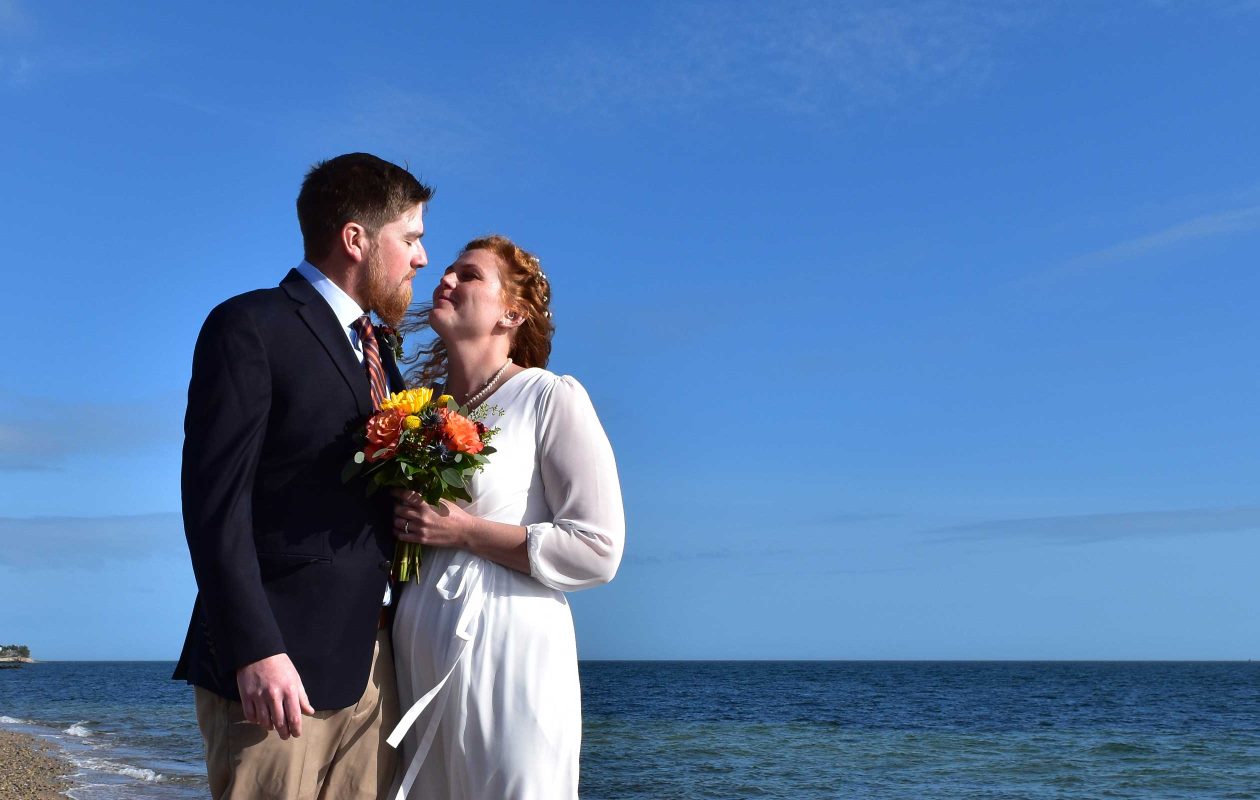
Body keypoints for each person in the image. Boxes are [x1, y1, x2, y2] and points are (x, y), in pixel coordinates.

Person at [174, 153, 432, 799]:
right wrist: (255, 648)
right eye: (411, 238)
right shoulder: (251, 326)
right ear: (356, 238)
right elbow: (215, 504)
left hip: (375, 667)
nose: (421, 259)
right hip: (275, 671)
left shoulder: (380, 355)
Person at [387, 235, 625, 799]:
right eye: (445, 271)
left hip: (508, 648)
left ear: (512, 313)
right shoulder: (420, 412)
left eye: (468, 275)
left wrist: (463, 530)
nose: (444, 280)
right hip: (417, 649)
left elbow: (598, 548)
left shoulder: (549, 397)